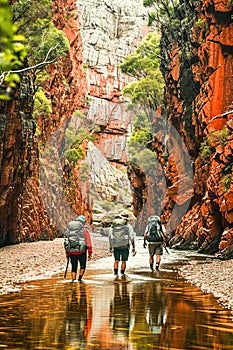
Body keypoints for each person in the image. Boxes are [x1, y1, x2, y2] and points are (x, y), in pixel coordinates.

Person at [64, 215, 92, 282]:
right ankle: (79, 279)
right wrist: (90, 253)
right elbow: (89, 244)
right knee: (82, 266)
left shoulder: (69, 231)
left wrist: (67, 254)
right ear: (84, 223)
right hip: (82, 251)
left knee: (74, 267)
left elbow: (66, 243)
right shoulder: (85, 231)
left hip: (72, 252)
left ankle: (73, 281)